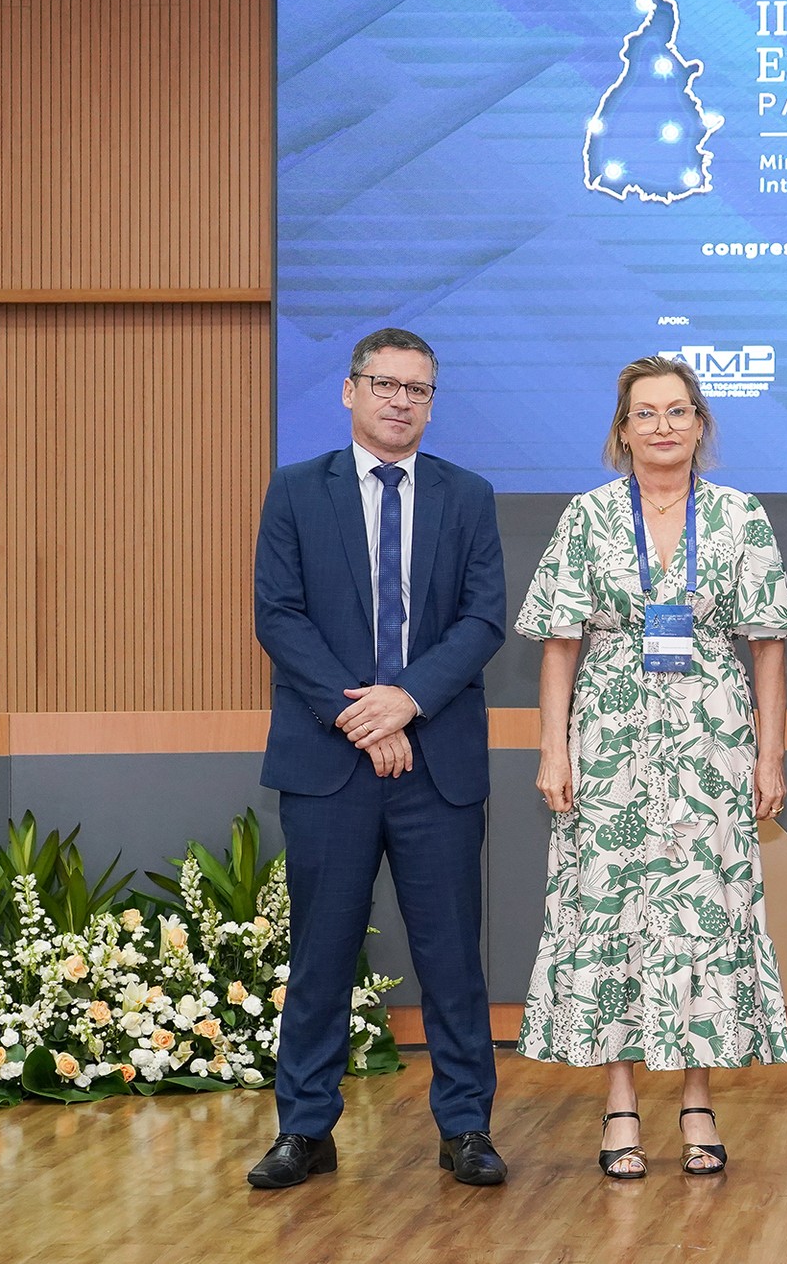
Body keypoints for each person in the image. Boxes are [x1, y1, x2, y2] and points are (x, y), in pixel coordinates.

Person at [517, 355, 787, 1179]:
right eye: (646, 413)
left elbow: (769, 644)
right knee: (613, 917)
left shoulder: (741, 516)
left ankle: (698, 1098)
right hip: (608, 744)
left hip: (712, 744)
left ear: (701, 424)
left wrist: (770, 752)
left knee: (702, 917)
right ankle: (619, 1102)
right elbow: (560, 640)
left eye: (679, 411)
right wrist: (552, 744)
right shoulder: (587, 516)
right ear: (622, 429)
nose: (663, 426)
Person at [250, 327, 509, 1189]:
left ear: (433, 401)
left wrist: (407, 699)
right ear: (351, 390)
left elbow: (482, 619)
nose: (402, 400)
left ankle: (466, 1126)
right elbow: (279, 616)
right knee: (320, 954)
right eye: (387, 384)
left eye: (419, 389)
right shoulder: (295, 491)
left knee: (452, 959)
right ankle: (306, 1129)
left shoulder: (466, 495)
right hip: (328, 762)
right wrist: (362, 713)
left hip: (436, 763)